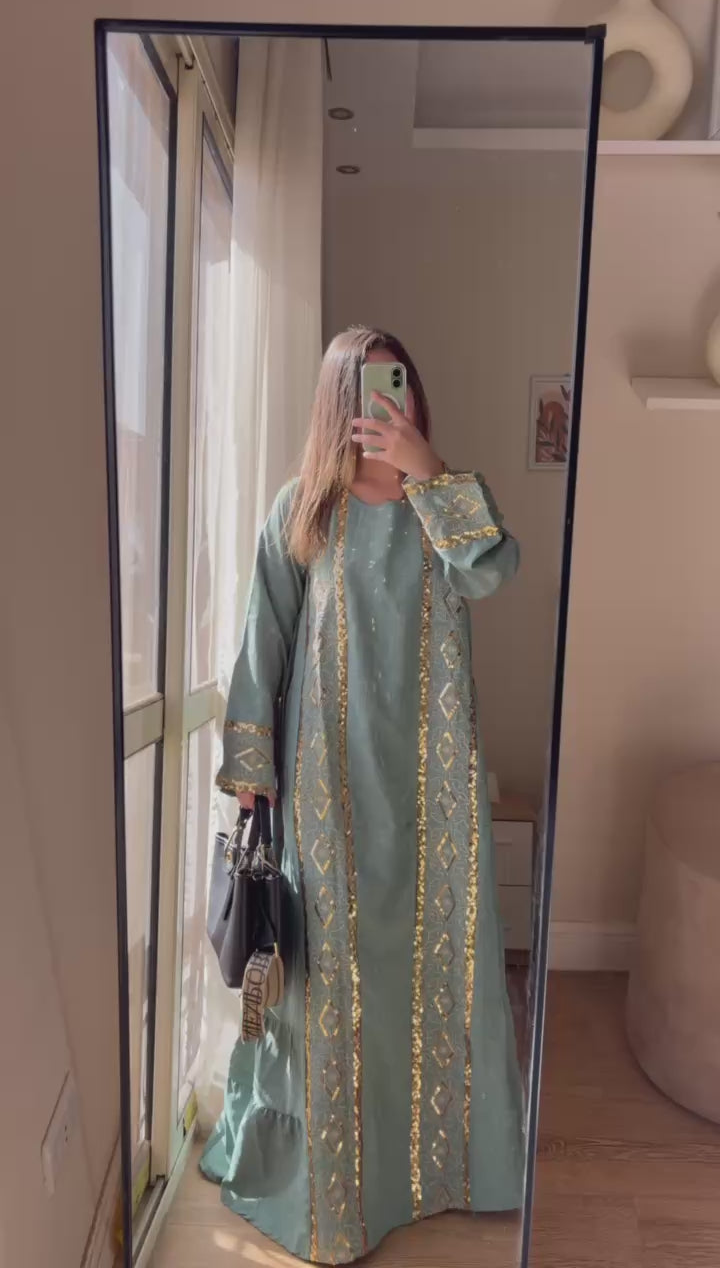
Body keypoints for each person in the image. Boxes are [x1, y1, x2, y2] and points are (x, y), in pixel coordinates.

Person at [200, 326, 524, 1264]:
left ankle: (442, 1173)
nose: (391, 403)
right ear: (338, 404)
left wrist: (431, 472)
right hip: (325, 789)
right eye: (374, 389)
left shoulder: (442, 504)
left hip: (431, 793)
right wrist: (252, 781)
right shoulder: (302, 508)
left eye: (402, 387)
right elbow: (262, 646)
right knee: (334, 984)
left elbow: (493, 570)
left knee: (427, 970)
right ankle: (337, 1193)